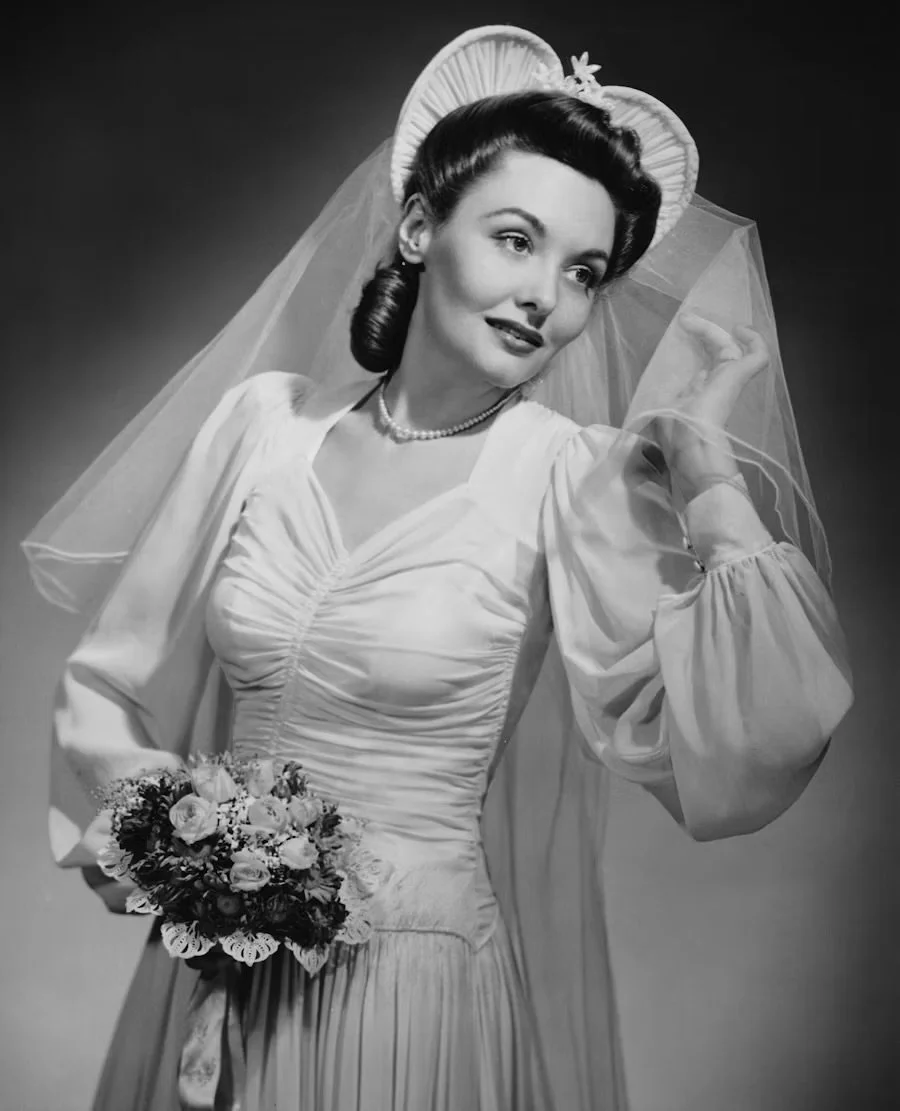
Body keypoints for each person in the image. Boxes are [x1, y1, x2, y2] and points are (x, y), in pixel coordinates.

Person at [24, 25, 853, 1111]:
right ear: (420, 226)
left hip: (409, 985)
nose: (545, 296)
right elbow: (99, 685)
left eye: (583, 272)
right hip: (224, 971)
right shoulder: (260, 429)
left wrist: (706, 476)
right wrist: (192, 846)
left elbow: (765, 732)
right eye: (516, 239)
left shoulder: (571, 480)